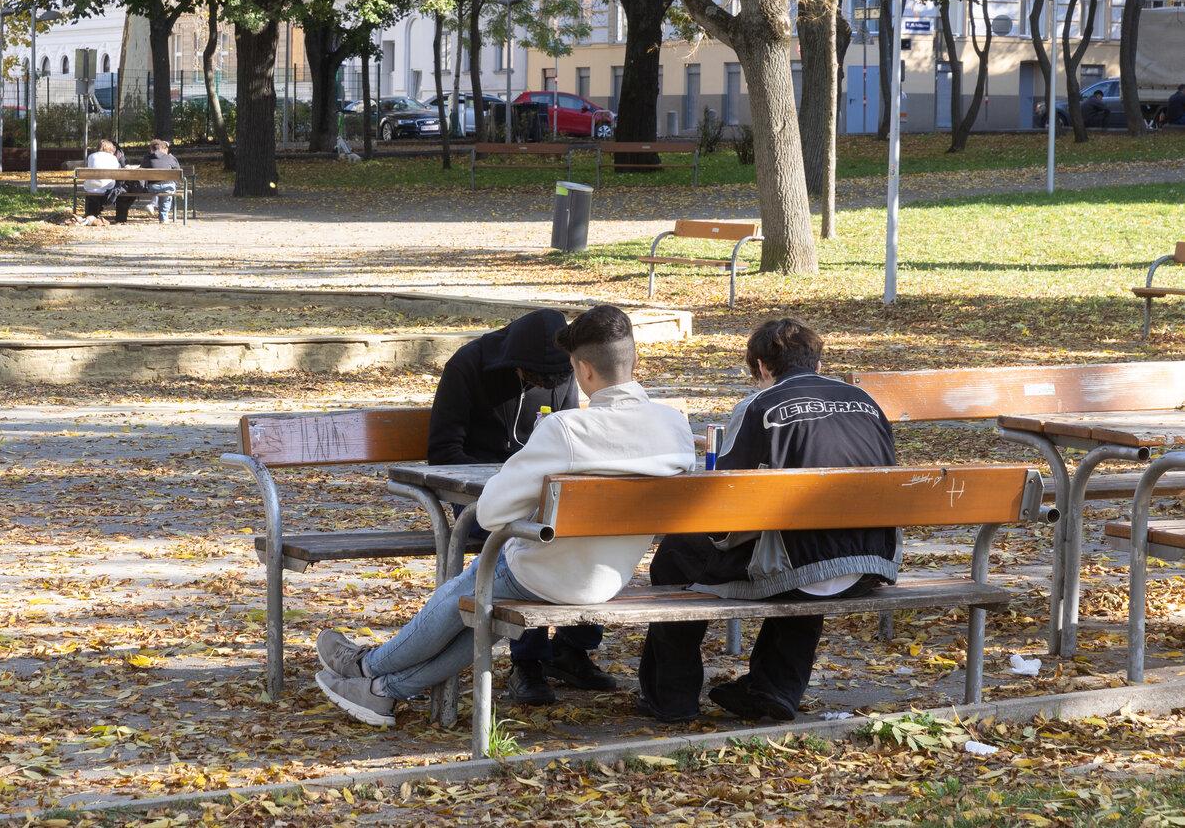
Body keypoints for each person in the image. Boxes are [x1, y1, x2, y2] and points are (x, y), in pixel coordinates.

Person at [314, 305, 695, 727]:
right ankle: (379, 691)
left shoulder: (568, 431)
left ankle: (368, 668)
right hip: (609, 577)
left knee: (469, 589)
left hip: (544, 573)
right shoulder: (675, 426)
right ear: (634, 361)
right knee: (484, 611)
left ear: (583, 370)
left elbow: (493, 511)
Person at [636, 318, 898, 725]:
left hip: (804, 564)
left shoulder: (761, 405)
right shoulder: (867, 402)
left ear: (761, 366)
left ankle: (672, 696)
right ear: (817, 360)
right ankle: (773, 687)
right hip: (870, 561)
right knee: (811, 552)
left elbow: (724, 501)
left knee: (675, 555)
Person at [428, 307, 606, 704]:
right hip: (479, 497)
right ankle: (528, 664)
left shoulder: (560, 372)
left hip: (538, 494)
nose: (545, 383)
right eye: (534, 377)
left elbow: (568, 440)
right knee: (524, 542)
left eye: (554, 378)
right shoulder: (469, 365)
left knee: (592, 530)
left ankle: (573, 648)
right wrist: (508, 479)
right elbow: (443, 451)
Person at [114, 139, 181, 224]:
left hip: (152, 187)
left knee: (158, 188)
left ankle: (153, 206)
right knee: (166, 191)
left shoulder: (147, 158)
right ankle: (163, 217)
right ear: (161, 148)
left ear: (151, 149)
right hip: (168, 186)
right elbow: (178, 172)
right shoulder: (171, 158)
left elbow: (140, 172)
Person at [81, 139, 122, 218]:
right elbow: (118, 172)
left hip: (90, 186)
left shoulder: (91, 156)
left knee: (94, 184)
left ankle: (90, 213)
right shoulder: (113, 158)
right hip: (107, 187)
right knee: (114, 183)